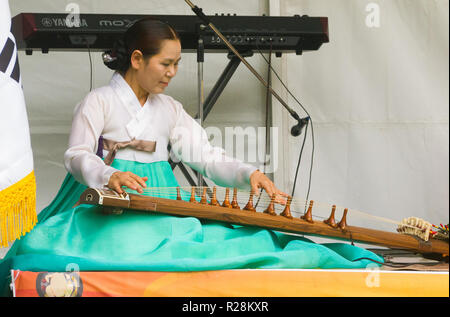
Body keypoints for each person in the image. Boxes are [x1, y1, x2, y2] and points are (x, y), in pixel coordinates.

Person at [0, 18, 382, 296]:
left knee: (244, 241)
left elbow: (207, 156)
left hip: (161, 203)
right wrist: (107, 174)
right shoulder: (98, 102)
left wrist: (249, 174)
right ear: (136, 59)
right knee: (45, 249)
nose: (172, 72)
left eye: (177, 63)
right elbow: (76, 154)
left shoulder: (169, 109)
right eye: (165, 63)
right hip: (104, 202)